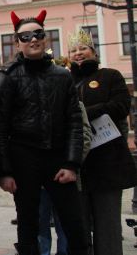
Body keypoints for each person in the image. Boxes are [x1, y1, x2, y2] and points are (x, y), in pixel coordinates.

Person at [0, 10, 89, 255]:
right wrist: (5, 171)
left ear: (45, 38)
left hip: (58, 157)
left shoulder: (62, 76)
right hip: (23, 158)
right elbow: (0, 126)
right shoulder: (9, 76)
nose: (33, 40)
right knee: (28, 225)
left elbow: (74, 121)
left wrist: (71, 163)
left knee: (75, 226)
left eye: (38, 34)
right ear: (17, 43)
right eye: (25, 37)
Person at [68, 28, 137, 255]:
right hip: (78, 166)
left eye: (83, 49)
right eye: (73, 50)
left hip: (108, 164)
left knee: (108, 227)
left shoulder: (110, 76)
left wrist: (84, 113)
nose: (78, 54)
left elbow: (120, 107)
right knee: (79, 229)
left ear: (94, 53)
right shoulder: (65, 80)